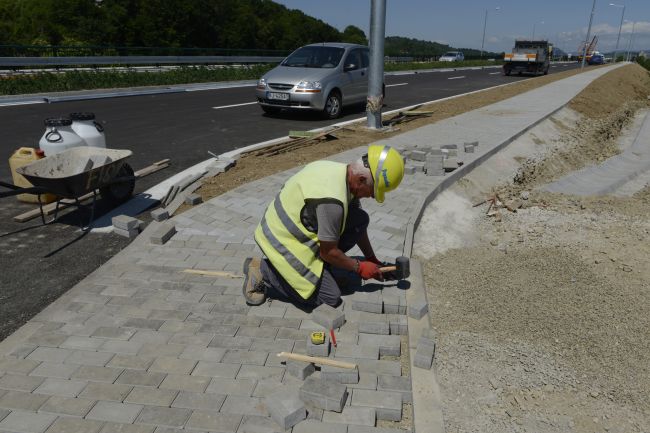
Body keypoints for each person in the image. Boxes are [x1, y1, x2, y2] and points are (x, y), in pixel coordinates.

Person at [242, 144, 405, 308]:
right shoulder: (332, 202)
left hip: (297, 228)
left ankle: (323, 271)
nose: (371, 196)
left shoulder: (343, 173)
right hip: (283, 241)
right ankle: (263, 270)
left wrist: (371, 259)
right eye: (372, 190)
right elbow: (328, 252)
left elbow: (359, 228)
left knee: (359, 219)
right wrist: (359, 267)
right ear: (361, 179)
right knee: (329, 297)